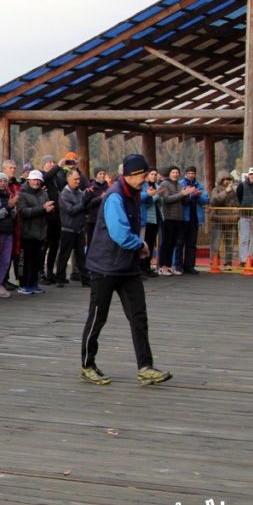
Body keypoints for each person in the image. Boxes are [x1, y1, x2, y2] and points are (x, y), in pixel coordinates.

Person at [80, 154, 172, 386]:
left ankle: (145, 367)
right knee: (97, 318)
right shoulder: (115, 196)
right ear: (130, 176)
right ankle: (88, 365)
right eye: (143, 175)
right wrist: (140, 245)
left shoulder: (134, 194)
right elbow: (119, 233)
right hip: (105, 266)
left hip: (127, 267)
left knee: (139, 317)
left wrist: (136, 249)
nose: (146, 180)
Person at [16, 169, 53, 294]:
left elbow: (46, 210)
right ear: (29, 180)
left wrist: (50, 210)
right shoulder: (22, 194)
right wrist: (42, 208)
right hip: (26, 233)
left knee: (37, 260)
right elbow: (23, 212)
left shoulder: (44, 194)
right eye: (34, 180)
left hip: (40, 233)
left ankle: (33, 282)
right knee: (24, 261)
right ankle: (22, 283)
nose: (36, 182)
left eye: (38, 180)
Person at [158, 166, 193, 275]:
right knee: (166, 242)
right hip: (167, 217)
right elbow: (167, 199)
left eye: (177, 172)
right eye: (173, 172)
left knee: (173, 243)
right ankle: (162, 265)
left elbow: (185, 201)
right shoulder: (164, 184)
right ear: (169, 173)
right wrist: (182, 194)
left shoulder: (181, 185)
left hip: (178, 217)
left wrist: (188, 194)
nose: (175, 174)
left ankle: (169, 265)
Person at [55, 168, 88, 286]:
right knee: (64, 255)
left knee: (81, 256)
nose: (78, 181)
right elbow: (71, 210)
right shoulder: (64, 194)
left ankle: (85, 279)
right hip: (68, 229)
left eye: (79, 179)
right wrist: (84, 203)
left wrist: (89, 201)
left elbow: (86, 210)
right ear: (69, 179)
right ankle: (60, 278)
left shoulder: (81, 193)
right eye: (75, 179)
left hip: (80, 229)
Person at [0, 173, 17, 297]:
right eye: (0, 181)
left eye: (5, 181)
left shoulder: (9, 195)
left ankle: (0, 283)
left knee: (6, 260)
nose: (3, 183)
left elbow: (14, 216)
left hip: (9, 231)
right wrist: (8, 207)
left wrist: (12, 208)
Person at [40, 155, 65, 284]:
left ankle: (50, 272)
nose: (52, 164)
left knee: (55, 245)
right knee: (45, 245)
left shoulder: (57, 178)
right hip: (46, 216)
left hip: (57, 215)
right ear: (43, 164)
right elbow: (45, 178)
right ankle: (40, 272)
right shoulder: (41, 175)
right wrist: (58, 167)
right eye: (49, 162)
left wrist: (72, 168)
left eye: (53, 162)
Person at [179, 166, 209, 274]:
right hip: (183, 218)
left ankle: (190, 265)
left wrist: (197, 196)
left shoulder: (199, 185)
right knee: (180, 243)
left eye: (192, 173)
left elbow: (206, 199)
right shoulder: (181, 184)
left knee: (192, 244)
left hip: (194, 218)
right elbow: (181, 198)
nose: (191, 175)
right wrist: (192, 195)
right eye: (189, 173)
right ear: (186, 174)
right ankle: (178, 265)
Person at [207, 170, 238, 267]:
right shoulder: (215, 190)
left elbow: (236, 203)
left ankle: (228, 262)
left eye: (228, 179)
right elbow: (214, 201)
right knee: (216, 242)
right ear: (220, 180)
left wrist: (237, 214)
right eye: (224, 179)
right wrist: (225, 192)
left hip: (231, 219)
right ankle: (214, 261)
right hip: (218, 219)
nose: (226, 181)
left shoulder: (233, 191)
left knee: (230, 243)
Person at [139, 169, 163, 276]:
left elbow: (160, 203)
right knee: (146, 242)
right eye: (151, 174)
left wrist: (160, 195)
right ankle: (143, 266)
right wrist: (156, 195)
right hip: (147, 217)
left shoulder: (157, 186)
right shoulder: (144, 186)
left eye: (155, 174)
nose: (154, 176)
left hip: (156, 217)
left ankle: (148, 266)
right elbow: (148, 202)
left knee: (152, 242)